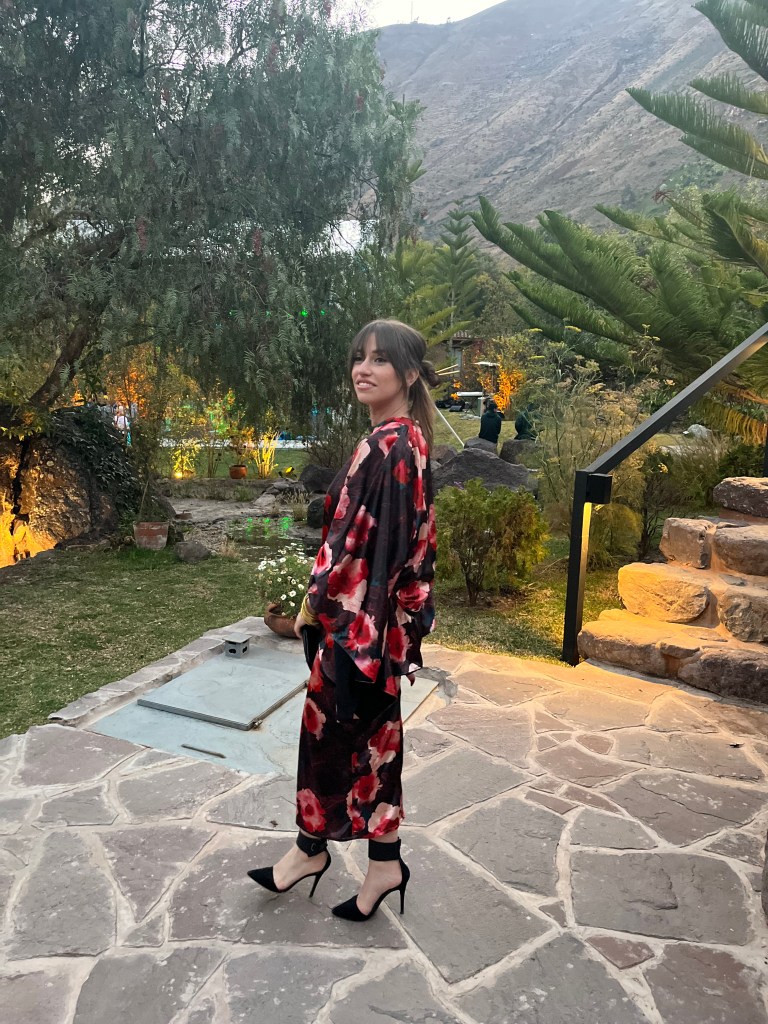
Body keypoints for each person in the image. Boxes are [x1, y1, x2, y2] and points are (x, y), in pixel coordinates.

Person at [247, 319, 439, 921]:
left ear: (409, 374)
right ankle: (381, 864)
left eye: (380, 360)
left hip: (361, 630)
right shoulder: (397, 438)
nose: (363, 369)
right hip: (369, 628)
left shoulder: (392, 445)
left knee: (328, 742)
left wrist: (346, 626)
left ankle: (312, 853)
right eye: (359, 357)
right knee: (374, 745)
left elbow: (386, 552)